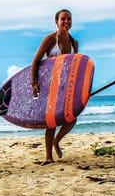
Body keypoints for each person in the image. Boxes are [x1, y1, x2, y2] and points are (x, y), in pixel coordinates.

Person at [30, 9, 79, 165]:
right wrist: (34, 82)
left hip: (66, 86)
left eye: (69, 19)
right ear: (56, 22)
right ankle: (48, 157)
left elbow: (74, 67)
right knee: (52, 121)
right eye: (63, 19)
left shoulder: (74, 43)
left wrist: (79, 88)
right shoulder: (50, 39)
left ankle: (56, 141)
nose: (66, 22)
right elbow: (35, 62)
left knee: (71, 118)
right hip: (50, 85)